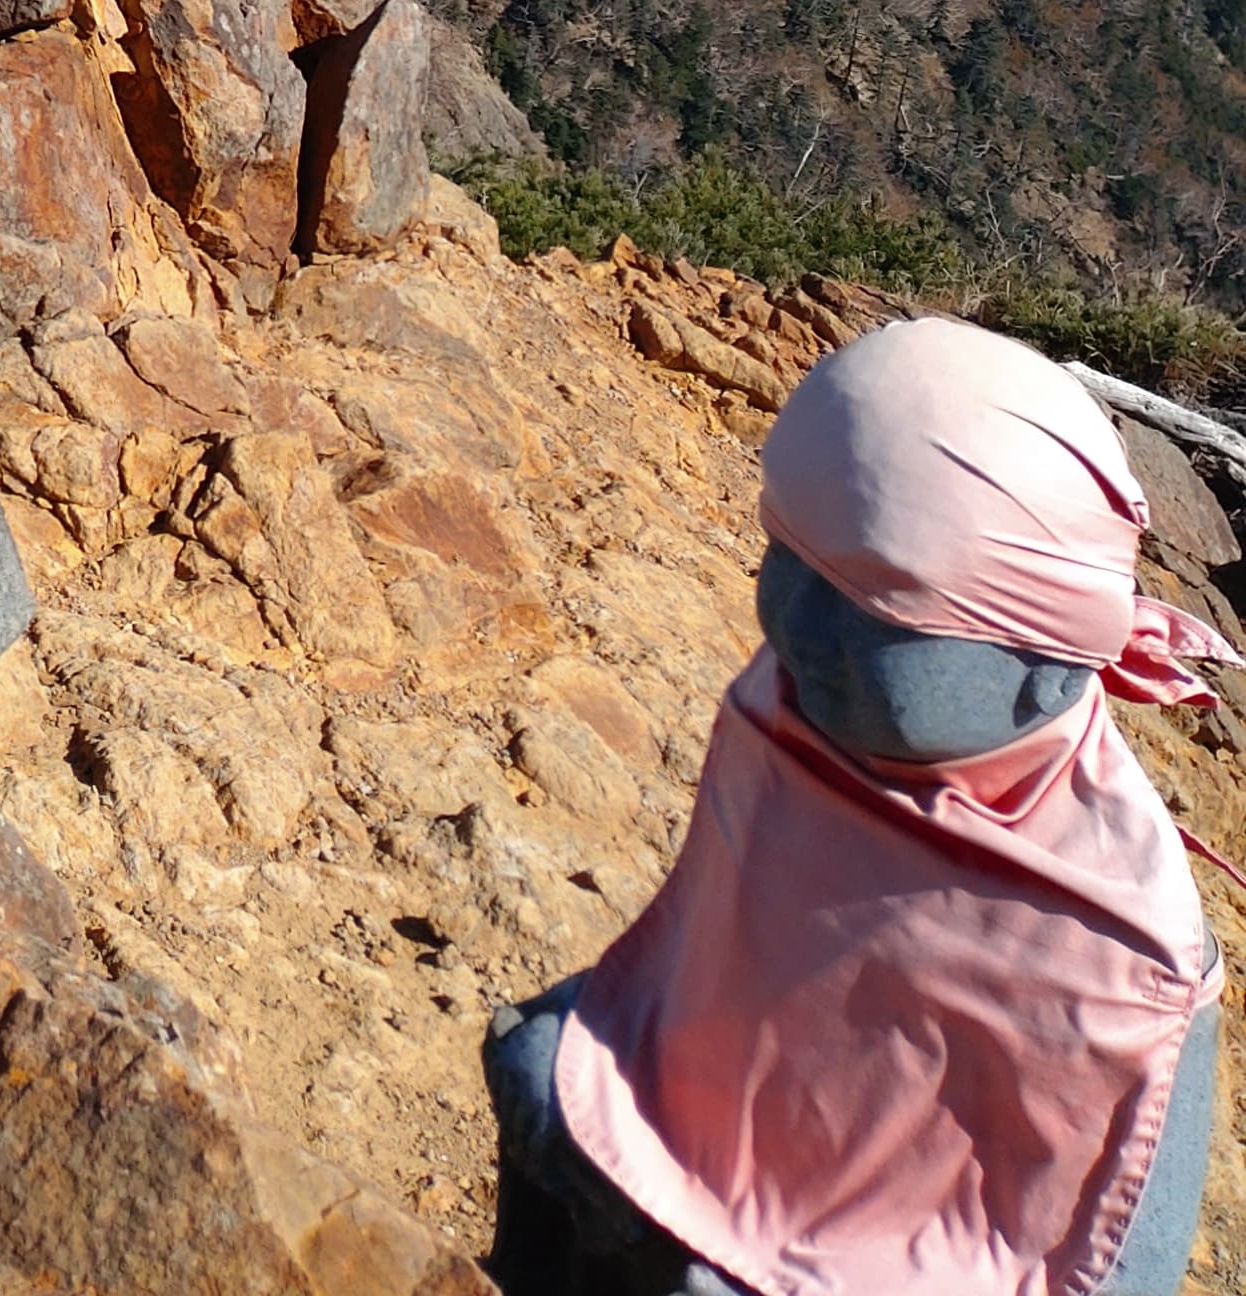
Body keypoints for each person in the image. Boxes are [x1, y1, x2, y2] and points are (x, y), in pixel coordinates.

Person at [483, 316, 1232, 1296]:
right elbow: (721, 975)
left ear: (1040, 665)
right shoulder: (790, 718)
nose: (795, 623)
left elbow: (1103, 1266)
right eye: (787, 555)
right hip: (741, 1145)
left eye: (875, 613)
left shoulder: (1117, 954)